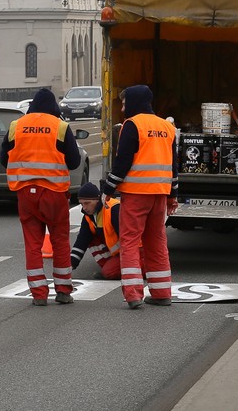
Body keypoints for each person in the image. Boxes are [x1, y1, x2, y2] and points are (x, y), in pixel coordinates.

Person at [0, 88, 84, 306]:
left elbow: (3, 158)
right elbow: (74, 162)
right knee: (60, 240)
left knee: (32, 243)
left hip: (26, 193)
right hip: (54, 193)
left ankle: (38, 294)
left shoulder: (16, 126)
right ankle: (64, 291)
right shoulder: (61, 127)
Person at [101, 85, 179, 309]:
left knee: (130, 242)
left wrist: (108, 189)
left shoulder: (132, 125)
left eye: (125, 103)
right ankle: (162, 292)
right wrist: (173, 195)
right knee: (157, 243)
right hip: (160, 195)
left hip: (136, 195)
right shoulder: (167, 126)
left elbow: (123, 162)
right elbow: (174, 167)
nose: (123, 108)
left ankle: (134, 294)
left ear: (134, 102)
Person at [70, 182, 125, 280]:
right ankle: (110, 265)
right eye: (82, 204)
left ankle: (143, 266)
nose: (84, 208)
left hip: (136, 250)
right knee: (90, 238)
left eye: (87, 203)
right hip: (118, 251)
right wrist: (68, 267)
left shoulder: (113, 209)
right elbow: (80, 243)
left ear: (98, 200)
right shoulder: (89, 217)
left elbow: (128, 239)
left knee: (109, 273)